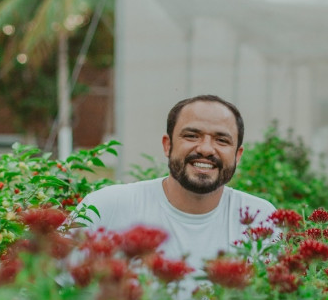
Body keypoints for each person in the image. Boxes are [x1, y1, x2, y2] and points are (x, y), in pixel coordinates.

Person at [77, 95, 277, 268]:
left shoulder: (260, 218)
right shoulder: (106, 207)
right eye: (191, 136)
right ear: (168, 145)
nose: (206, 149)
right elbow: (52, 292)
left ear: (237, 155)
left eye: (222, 140)